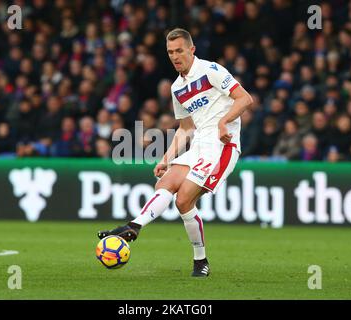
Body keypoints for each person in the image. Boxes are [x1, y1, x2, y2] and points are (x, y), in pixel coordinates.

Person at [97, 28, 253, 277]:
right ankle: (134, 226)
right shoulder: (177, 88)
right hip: (200, 143)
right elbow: (185, 128)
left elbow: (244, 99)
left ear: (191, 50)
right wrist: (166, 159)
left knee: (183, 201)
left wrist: (225, 122)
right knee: (166, 181)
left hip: (223, 146)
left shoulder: (211, 71)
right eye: (170, 52)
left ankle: (200, 260)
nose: (175, 56)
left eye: (179, 50)